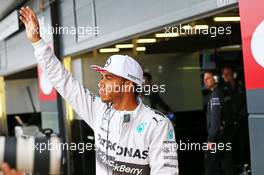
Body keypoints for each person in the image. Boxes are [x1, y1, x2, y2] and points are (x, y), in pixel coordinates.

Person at [1, 6, 178, 175]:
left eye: (108, 78)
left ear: (128, 85)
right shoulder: (99, 112)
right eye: (101, 77)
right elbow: (64, 81)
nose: (101, 83)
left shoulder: (157, 124)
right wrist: (38, 43)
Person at [203, 70, 236, 175]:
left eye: (208, 78)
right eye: (204, 79)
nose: (205, 81)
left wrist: (211, 140)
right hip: (226, 134)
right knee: (227, 164)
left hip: (218, 137)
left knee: (210, 165)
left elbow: (215, 119)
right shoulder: (223, 92)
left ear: (215, 79)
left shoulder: (215, 95)